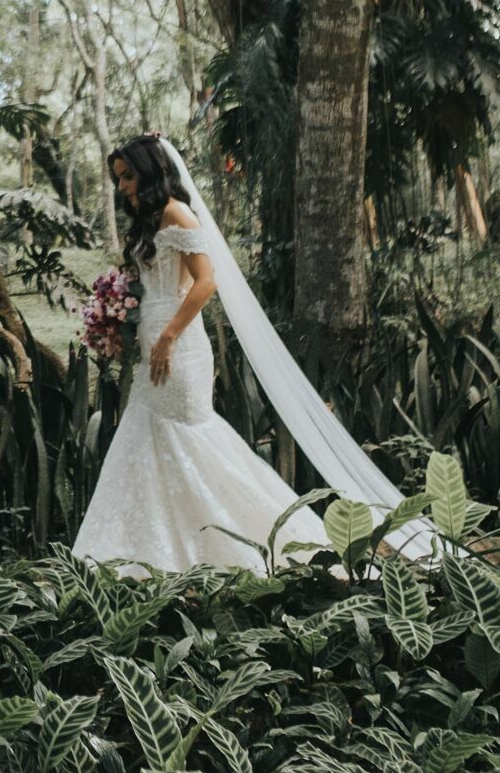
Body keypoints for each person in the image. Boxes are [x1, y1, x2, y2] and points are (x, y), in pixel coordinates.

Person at [71, 132, 328, 577]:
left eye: (128, 176)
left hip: (179, 344)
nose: (123, 186)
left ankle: (253, 539)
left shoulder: (177, 213)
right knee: (147, 437)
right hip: (153, 336)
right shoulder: (149, 219)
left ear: (150, 170)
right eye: (118, 178)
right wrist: (114, 315)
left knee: (188, 437)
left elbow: (206, 282)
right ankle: (154, 551)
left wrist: (169, 336)